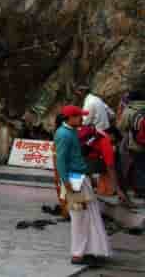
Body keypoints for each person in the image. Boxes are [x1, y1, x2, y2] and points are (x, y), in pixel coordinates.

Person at [55, 104, 111, 266]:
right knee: (79, 217)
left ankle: (85, 251)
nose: (82, 118)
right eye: (79, 116)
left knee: (86, 216)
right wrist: (66, 182)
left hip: (79, 178)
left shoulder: (70, 132)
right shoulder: (64, 134)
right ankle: (78, 254)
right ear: (69, 118)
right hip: (74, 181)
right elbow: (61, 160)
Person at [79, 124, 132, 205]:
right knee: (115, 166)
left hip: (76, 166)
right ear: (113, 136)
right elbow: (110, 167)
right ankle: (123, 196)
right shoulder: (106, 141)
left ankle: (105, 190)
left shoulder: (96, 135)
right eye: (115, 142)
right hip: (84, 166)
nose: (114, 145)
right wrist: (118, 189)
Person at [117, 89, 145, 199]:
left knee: (139, 166)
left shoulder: (129, 110)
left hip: (137, 144)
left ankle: (141, 190)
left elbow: (121, 127)